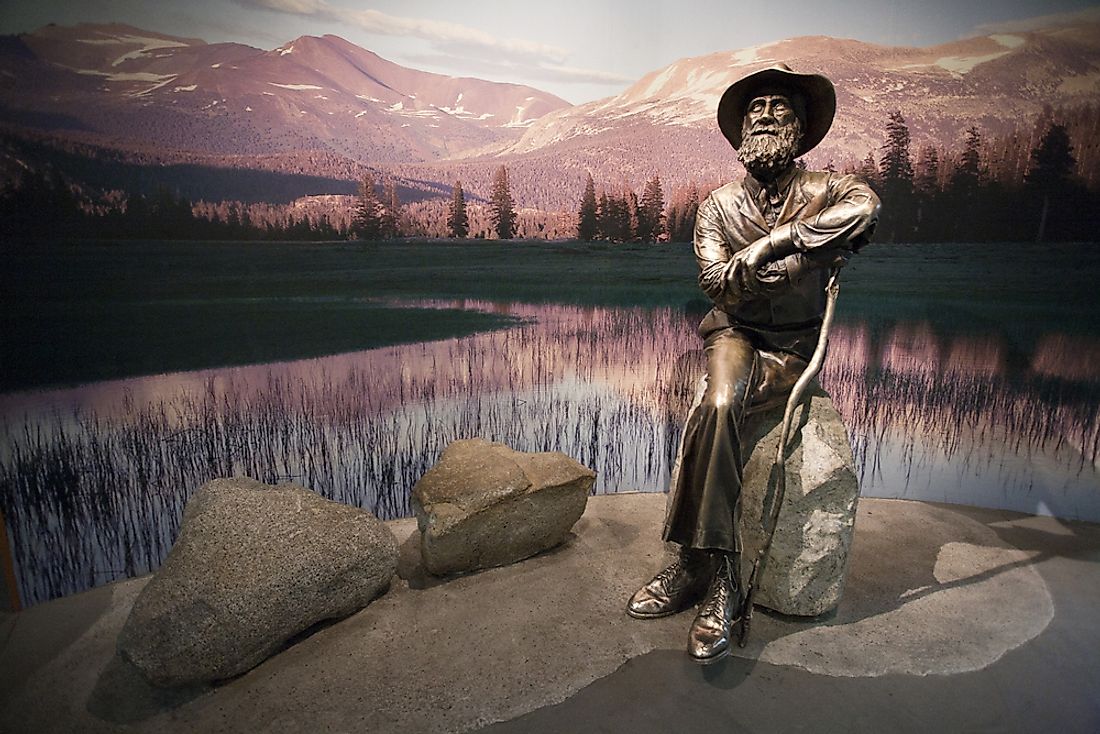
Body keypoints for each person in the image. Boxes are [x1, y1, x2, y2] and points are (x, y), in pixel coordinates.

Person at [626, 64, 880, 664]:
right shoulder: (717, 205)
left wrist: (777, 243)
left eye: (779, 109)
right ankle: (717, 574)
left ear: (801, 128)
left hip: (794, 346)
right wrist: (801, 257)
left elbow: (865, 211)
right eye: (755, 109)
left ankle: (692, 564)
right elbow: (717, 283)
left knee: (724, 409)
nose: (764, 117)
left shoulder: (830, 187)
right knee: (717, 403)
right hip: (735, 333)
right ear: (740, 130)